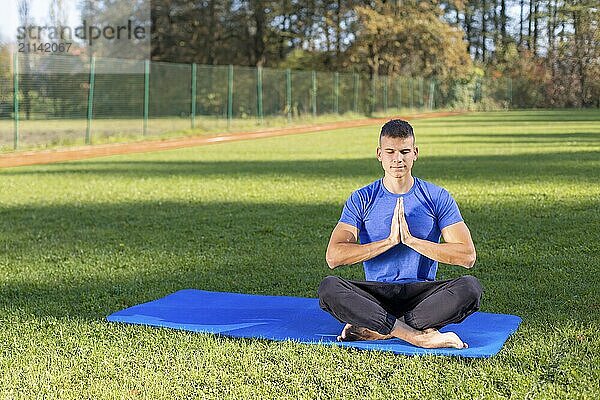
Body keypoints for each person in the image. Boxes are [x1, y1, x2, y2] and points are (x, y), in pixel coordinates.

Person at [318, 119, 483, 349]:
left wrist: (412, 241)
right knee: (329, 288)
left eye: (405, 151)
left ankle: (379, 330)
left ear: (415, 153)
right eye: (390, 152)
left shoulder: (437, 197)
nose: (398, 159)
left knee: (470, 287)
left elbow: (467, 256)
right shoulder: (362, 198)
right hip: (377, 294)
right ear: (379, 154)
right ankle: (415, 335)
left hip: (421, 296)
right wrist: (389, 242)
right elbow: (334, 257)